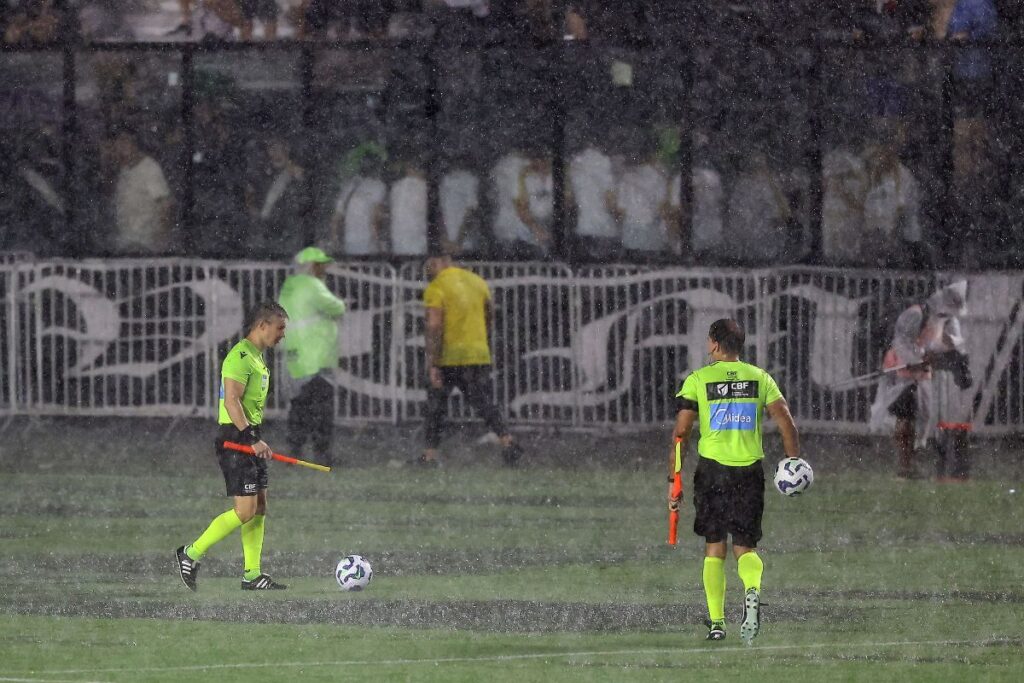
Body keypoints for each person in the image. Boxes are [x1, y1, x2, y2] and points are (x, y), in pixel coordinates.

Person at [669, 319, 800, 643]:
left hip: (712, 472)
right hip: (748, 472)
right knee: (745, 546)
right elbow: (786, 422)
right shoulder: (760, 378)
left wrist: (675, 479)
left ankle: (717, 623)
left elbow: (681, 433)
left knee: (715, 547)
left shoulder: (698, 379)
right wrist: (793, 460)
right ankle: (752, 590)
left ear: (714, 344)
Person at [175, 301, 289, 592]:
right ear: (262, 325)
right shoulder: (239, 356)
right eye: (280, 328)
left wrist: (255, 436)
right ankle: (191, 553)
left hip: (248, 435)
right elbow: (231, 402)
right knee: (245, 511)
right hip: (235, 439)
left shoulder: (257, 358)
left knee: (259, 506)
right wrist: (252, 438)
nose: (282, 334)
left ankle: (252, 574)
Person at [417, 254, 521, 467]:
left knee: (436, 406)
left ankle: (430, 455)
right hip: (477, 352)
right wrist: (478, 336)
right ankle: (508, 442)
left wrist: (433, 362)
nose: (426, 271)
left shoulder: (436, 287)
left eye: (428, 265)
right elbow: (489, 314)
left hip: (449, 355)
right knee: (483, 401)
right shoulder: (478, 282)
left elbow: (434, 325)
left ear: (438, 263)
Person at [870, 281, 971, 479]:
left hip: (922, 367)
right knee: (905, 413)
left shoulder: (949, 320)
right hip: (902, 365)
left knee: (925, 412)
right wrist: (915, 360)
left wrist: (949, 357)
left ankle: (914, 455)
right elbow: (901, 342)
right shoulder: (916, 314)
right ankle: (904, 463)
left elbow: (953, 344)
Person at [278, 247, 347, 467]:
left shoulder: (289, 286)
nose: (325, 269)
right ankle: (322, 453)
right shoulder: (312, 285)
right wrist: (342, 303)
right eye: (321, 265)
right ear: (312, 266)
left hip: (295, 355)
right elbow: (336, 307)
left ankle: (294, 451)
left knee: (299, 406)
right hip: (315, 356)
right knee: (322, 408)